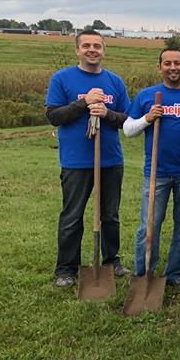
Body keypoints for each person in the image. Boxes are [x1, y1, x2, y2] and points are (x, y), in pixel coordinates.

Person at [45, 29, 130, 286]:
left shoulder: (115, 82)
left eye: (97, 46)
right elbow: (54, 116)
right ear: (77, 50)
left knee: (110, 215)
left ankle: (111, 261)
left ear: (104, 50)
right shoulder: (62, 79)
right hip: (76, 162)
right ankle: (66, 269)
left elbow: (127, 120)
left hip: (110, 160)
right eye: (87, 46)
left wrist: (106, 113)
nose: (92, 50)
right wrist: (84, 104)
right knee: (72, 216)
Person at [123, 47, 180, 286]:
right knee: (149, 225)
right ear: (159, 67)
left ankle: (175, 274)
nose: (173, 67)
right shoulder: (146, 96)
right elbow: (128, 130)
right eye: (167, 63)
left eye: (177, 63)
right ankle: (144, 274)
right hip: (156, 172)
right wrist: (147, 118)